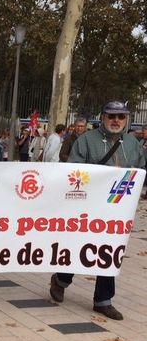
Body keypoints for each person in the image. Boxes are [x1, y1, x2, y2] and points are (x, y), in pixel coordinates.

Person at [49, 101, 144, 321]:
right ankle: (61, 279)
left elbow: (141, 171)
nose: (116, 120)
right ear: (102, 117)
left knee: (110, 251)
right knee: (80, 247)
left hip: (118, 209)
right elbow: (74, 171)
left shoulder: (133, 143)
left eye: (121, 117)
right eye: (112, 116)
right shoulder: (86, 141)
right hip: (88, 207)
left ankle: (103, 300)